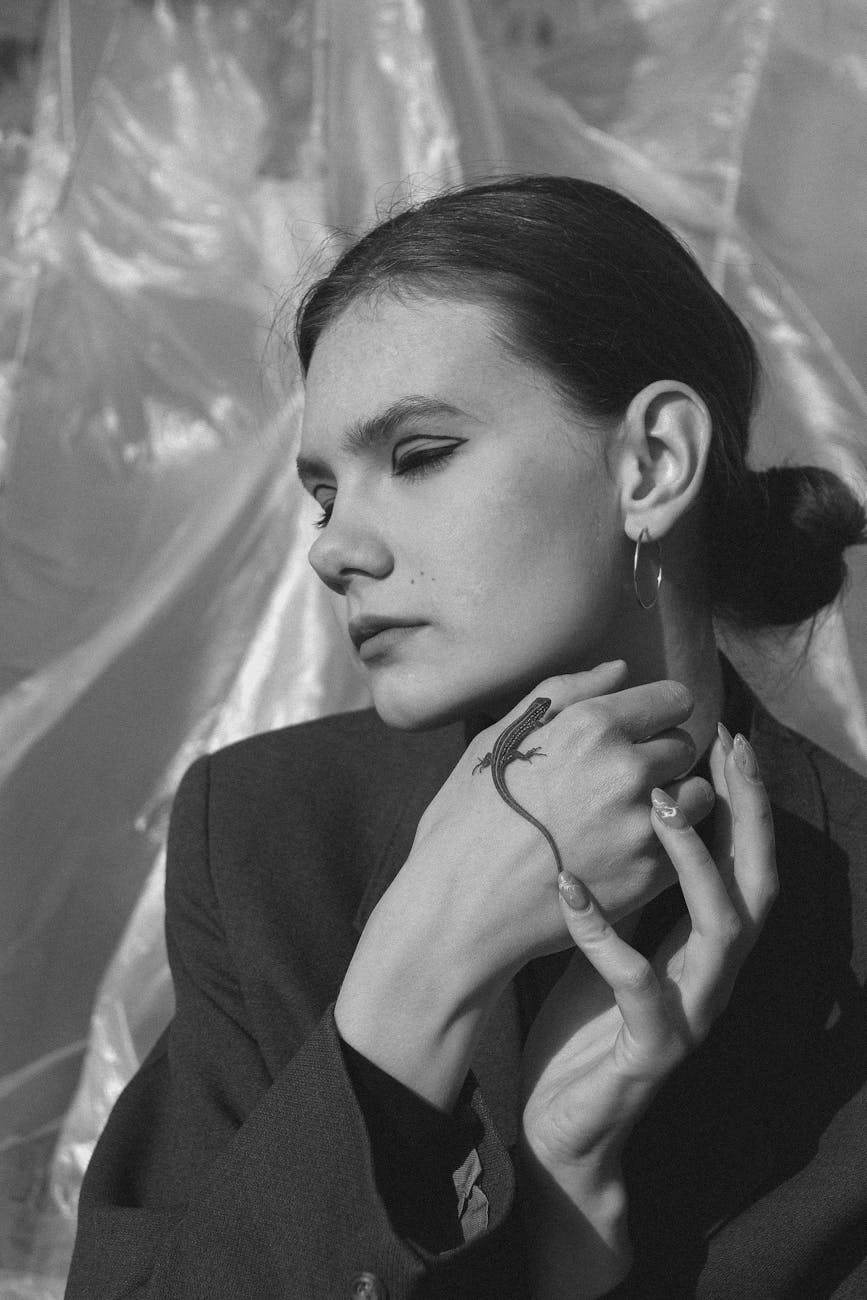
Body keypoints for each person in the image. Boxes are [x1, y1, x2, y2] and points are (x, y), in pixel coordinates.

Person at [65, 176, 866, 1299]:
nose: (334, 548)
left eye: (420, 453)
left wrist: (569, 1244)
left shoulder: (849, 922)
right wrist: (409, 986)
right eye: (322, 492)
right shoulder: (266, 842)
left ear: (653, 464)